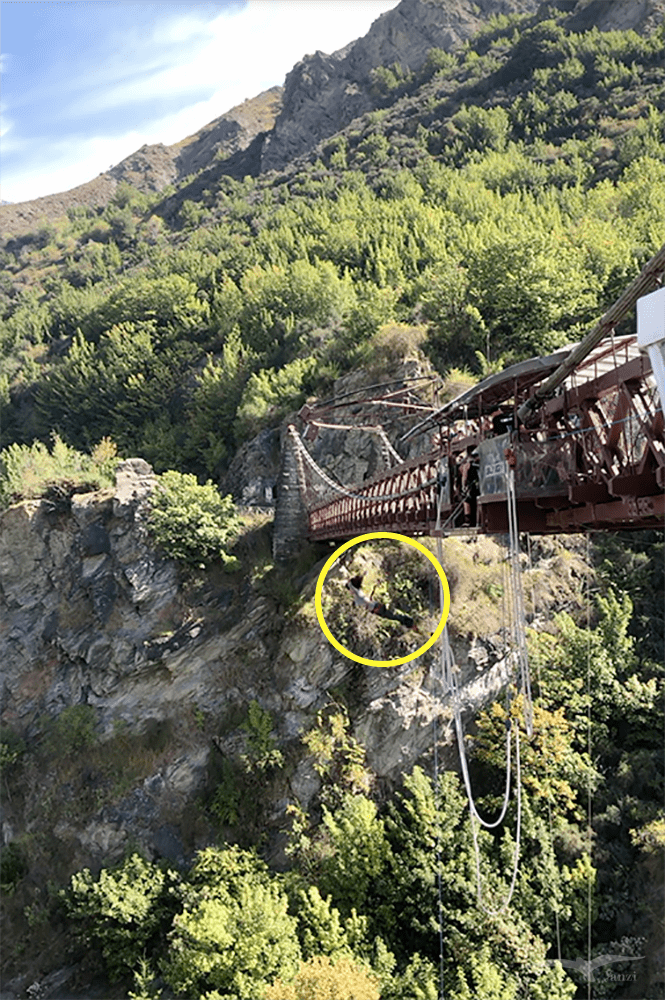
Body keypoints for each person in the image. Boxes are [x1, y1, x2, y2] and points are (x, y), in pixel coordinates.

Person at [345, 574, 414, 628]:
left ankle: (407, 621)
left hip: (376, 608)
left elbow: (354, 590)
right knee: (393, 616)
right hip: (376, 608)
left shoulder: (358, 596)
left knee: (393, 616)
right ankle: (406, 621)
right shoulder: (358, 596)